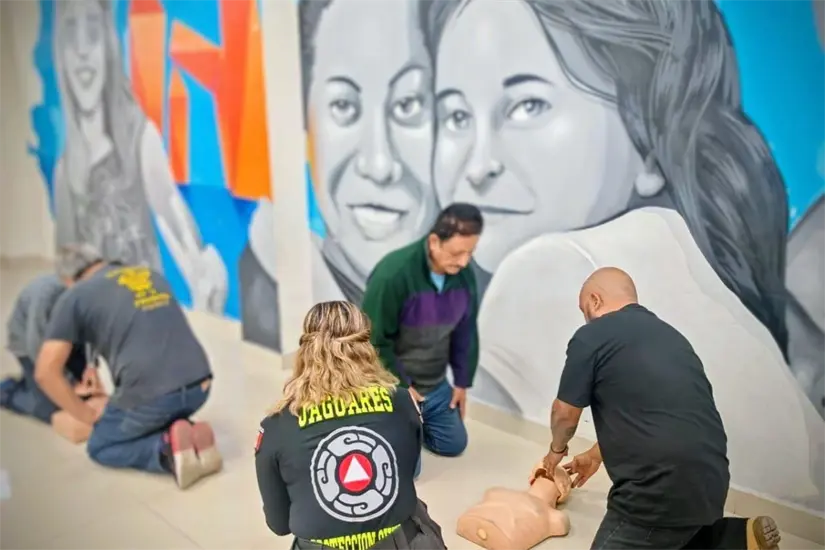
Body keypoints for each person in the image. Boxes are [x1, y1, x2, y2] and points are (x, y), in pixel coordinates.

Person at [538, 267, 780, 550]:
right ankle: (736, 538)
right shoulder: (673, 338)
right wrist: (595, 455)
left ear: (595, 300)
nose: (585, 318)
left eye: (584, 309)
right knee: (673, 531)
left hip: (656, 490)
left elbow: (564, 414)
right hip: (712, 480)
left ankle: (728, 542)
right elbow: (658, 418)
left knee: (652, 529)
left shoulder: (591, 335)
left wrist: (556, 450)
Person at [51, 0, 226, 313]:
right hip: (99, 322)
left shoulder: (140, 141)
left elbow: (176, 220)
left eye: (93, 34)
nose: (82, 51)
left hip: (145, 318)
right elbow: (66, 272)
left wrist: (203, 273)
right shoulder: (65, 173)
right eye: (71, 35)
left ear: (109, 46)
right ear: (60, 55)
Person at [255, 301, 446, 550]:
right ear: (366, 346)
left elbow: (279, 524)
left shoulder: (275, 426)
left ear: (305, 350)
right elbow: (404, 476)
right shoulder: (401, 402)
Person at [34, 244, 221, 489]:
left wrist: (87, 415)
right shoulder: (149, 274)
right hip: (201, 386)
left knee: (101, 445)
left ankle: (165, 448)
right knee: (150, 409)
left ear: (68, 280)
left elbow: (45, 372)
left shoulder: (75, 295)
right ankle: (190, 435)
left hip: (156, 397)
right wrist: (92, 365)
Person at [362, 203, 482, 468]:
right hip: (393, 385)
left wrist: (462, 382)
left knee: (454, 445)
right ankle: (381, 421)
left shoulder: (463, 275)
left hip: (433, 385)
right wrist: (402, 389)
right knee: (408, 469)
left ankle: (415, 425)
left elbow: (466, 330)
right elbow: (373, 341)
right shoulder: (392, 275)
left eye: (470, 253)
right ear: (434, 241)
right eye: (457, 253)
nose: (464, 262)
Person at [1, 273, 104, 441]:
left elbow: (91, 333)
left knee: (86, 395)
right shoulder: (45, 297)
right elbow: (38, 350)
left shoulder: (93, 293)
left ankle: (32, 384)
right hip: (30, 346)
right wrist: (70, 383)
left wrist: (91, 366)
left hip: (71, 342)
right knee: (53, 410)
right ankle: (7, 391)